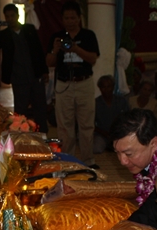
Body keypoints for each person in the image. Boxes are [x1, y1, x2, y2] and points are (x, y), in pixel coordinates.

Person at [46, 0, 100, 168]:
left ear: (79, 18)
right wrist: (55, 50)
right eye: (66, 18)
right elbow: (49, 62)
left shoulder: (88, 35)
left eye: (73, 18)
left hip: (84, 83)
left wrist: (76, 49)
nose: (70, 21)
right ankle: (68, 161)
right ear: (62, 19)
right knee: (64, 126)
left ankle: (88, 161)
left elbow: (92, 59)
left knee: (87, 125)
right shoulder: (57, 37)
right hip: (63, 85)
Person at [0, 3, 49, 133]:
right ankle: (20, 137)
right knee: (20, 112)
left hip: (35, 76)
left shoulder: (29, 29)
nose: (10, 19)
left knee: (40, 110)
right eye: (7, 16)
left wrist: (44, 71)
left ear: (17, 15)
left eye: (12, 16)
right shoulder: (4, 35)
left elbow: (39, 50)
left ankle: (42, 136)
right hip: (18, 79)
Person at [94, 75, 129, 153]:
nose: (106, 89)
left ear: (113, 87)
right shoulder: (95, 103)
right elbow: (91, 124)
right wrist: (104, 133)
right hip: (102, 134)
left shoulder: (121, 101)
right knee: (96, 148)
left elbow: (128, 119)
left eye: (109, 86)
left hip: (119, 134)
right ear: (99, 88)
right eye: (103, 87)